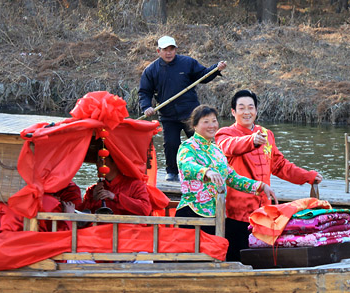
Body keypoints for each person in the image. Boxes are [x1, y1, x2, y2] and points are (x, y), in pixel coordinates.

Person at [215, 90, 322, 260]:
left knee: (261, 258)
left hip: (263, 211)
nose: (246, 112)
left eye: (250, 107)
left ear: (256, 111)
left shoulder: (266, 134)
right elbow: (228, 147)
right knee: (235, 258)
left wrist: (307, 176)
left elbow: (280, 165)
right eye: (241, 108)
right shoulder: (225, 134)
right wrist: (251, 140)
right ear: (233, 112)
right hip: (236, 212)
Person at [176, 104, 277, 239]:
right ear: (194, 125)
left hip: (216, 213)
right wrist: (207, 172)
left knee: (214, 255)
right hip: (193, 211)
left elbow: (232, 177)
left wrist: (261, 186)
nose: (211, 125)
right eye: (206, 122)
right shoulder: (188, 147)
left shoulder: (216, 150)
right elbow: (186, 165)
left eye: (214, 121)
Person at [138, 35, 228, 182]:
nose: (169, 53)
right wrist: (146, 106)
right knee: (171, 143)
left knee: (199, 141)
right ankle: (172, 172)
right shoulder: (151, 70)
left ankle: (208, 169)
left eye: (171, 49)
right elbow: (144, 92)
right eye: (165, 50)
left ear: (176, 50)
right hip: (168, 115)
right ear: (158, 51)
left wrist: (215, 69)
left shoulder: (187, 63)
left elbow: (203, 76)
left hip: (191, 114)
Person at [77, 154, 153, 216]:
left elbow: (145, 209)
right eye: (97, 161)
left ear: (115, 162)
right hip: (98, 231)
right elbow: (81, 215)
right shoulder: (93, 189)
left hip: (128, 232)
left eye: (101, 160)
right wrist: (93, 199)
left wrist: (115, 197)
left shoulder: (135, 184)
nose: (97, 164)